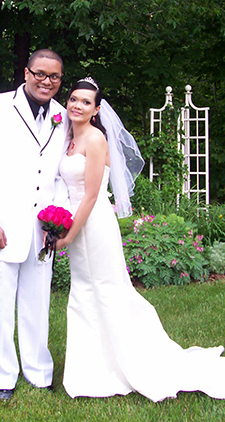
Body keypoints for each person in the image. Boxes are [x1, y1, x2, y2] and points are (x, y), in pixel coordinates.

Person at [55, 77, 225, 402]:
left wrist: (68, 236)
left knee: (106, 291)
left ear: (97, 109)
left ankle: (125, 365)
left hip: (93, 225)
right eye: (74, 99)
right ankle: (91, 368)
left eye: (86, 102)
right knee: (84, 292)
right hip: (75, 222)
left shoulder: (95, 140)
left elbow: (91, 196)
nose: (77, 105)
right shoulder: (67, 140)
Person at [0, 49, 71, 400]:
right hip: (0, 227)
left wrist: (58, 220)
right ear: (26, 73)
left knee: (37, 305)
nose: (46, 81)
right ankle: (3, 378)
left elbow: (57, 175)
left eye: (54, 77)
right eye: (40, 73)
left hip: (42, 230)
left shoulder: (62, 116)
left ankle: (39, 372)